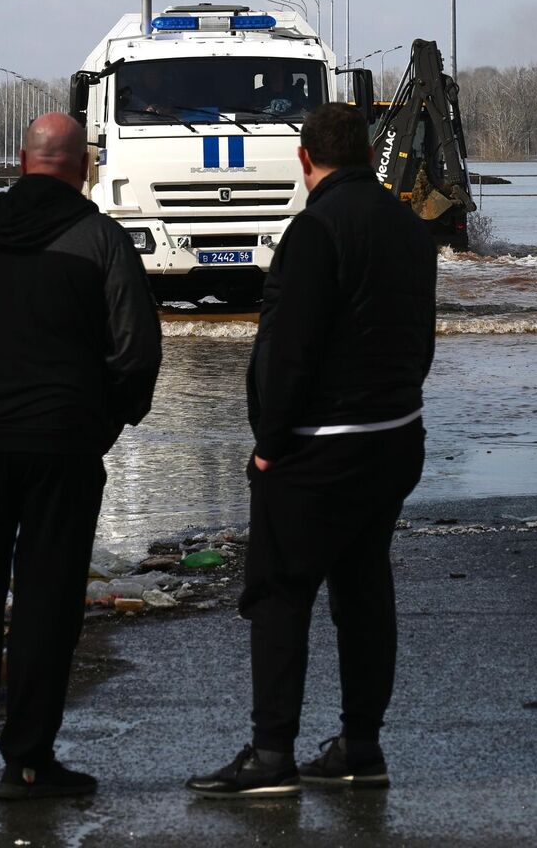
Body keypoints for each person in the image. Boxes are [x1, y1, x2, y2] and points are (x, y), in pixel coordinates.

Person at [0, 112, 162, 801]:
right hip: (63, 448)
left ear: (22, 159)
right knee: (47, 604)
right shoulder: (101, 238)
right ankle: (30, 764)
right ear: (84, 167)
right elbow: (136, 353)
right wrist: (106, 421)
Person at [186, 103, 437, 798]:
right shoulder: (411, 231)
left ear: (305, 160)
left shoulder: (314, 230)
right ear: (368, 155)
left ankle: (272, 756)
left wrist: (269, 444)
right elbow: (421, 340)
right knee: (364, 591)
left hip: (318, 448)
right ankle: (361, 747)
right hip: (394, 438)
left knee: (278, 593)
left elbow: (287, 351)